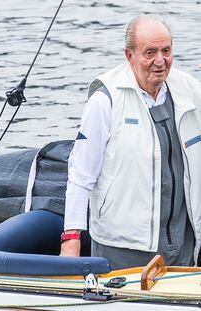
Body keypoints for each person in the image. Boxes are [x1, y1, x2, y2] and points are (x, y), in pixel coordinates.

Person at [60, 14, 201, 269]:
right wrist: (71, 242)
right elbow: (80, 177)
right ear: (129, 56)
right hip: (123, 250)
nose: (160, 61)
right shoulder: (105, 101)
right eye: (150, 52)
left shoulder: (190, 92)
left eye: (166, 51)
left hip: (183, 246)